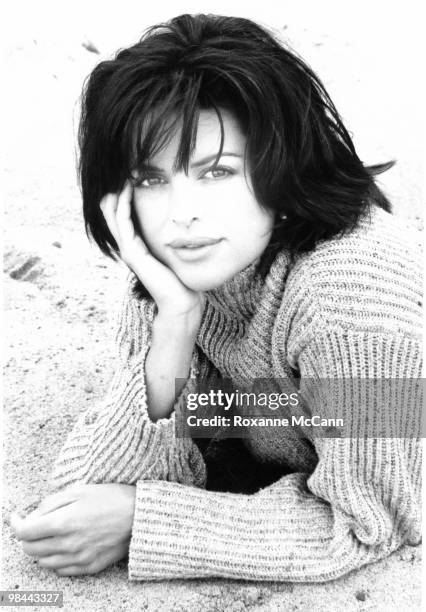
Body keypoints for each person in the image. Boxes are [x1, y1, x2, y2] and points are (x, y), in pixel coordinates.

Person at [11, 13, 422, 581]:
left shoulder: (350, 304)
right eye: (151, 179)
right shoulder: (182, 267)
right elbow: (87, 484)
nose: (181, 214)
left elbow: (375, 518)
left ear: (282, 170)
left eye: (217, 171)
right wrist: (176, 326)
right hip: (286, 416)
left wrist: (144, 520)